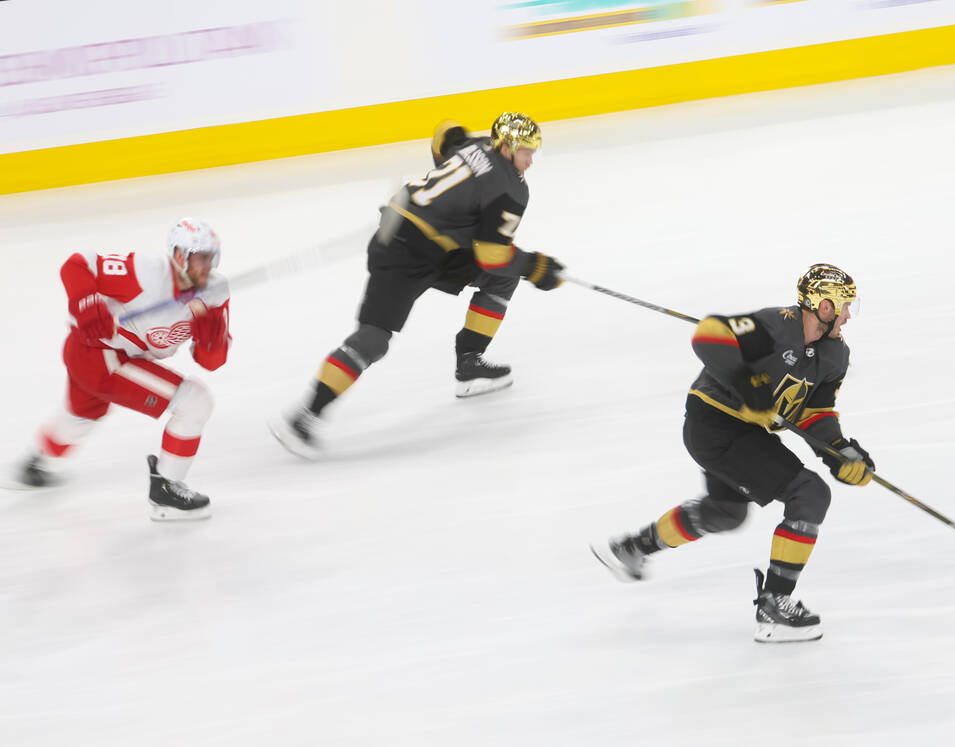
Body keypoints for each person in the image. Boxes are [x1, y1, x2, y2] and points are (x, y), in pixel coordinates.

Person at [590, 263, 874, 643]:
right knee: (809, 493)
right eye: (843, 307)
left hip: (742, 432)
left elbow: (815, 412)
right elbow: (710, 334)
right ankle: (774, 605)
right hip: (714, 423)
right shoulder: (778, 326)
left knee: (725, 512)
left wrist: (837, 450)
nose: (847, 317)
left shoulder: (834, 355)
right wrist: (747, 380)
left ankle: (632, 548)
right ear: (823, 306)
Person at [270, 112, 566, 458]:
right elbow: (491, 254)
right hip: (407, 255)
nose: (530, 160)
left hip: (416, 238)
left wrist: (455, 142)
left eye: (534, 151)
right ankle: (305, 416)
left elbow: (444, 135)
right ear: (504, 146)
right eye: (524, 151)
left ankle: (469, 363)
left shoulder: (473, 145)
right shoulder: (510, 190)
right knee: (373, 340)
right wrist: (534, 267)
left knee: (502, 280)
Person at [12, 219, 231, 521]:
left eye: (212, 258)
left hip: (97, 355)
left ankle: (36, 463)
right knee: (195, 402)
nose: (208, 266)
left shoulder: (214, 293)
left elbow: (212, 361)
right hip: (97, 354)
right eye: (201, 257)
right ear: (179, 256)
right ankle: (166, 491)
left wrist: (212, 334)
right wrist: (86, 303)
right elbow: (76, 265)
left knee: (82, 415)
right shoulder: (144, 272)